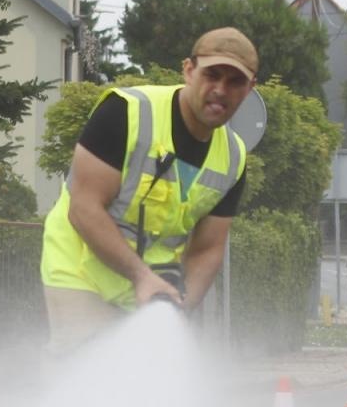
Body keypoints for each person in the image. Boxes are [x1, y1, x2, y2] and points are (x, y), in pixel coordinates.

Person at [39, 27, 256, 351]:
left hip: (149, 285)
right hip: (80, 268)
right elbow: (83, 208)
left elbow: (207, 249)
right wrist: (141, 277)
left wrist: (181, 307)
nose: (220, 90)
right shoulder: (126, 113)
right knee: (91, 363)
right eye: (212, 75)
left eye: (235, 81)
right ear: (189, 70)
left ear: (250, 88)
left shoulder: (234, 159)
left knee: (147, 379)